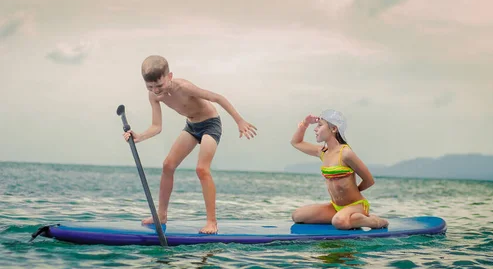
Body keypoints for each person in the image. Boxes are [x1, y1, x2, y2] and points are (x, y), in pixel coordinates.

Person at [123, 55, 257, 234]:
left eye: (159, 85)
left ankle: (212, 222)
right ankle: (161, 215)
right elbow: (157, 127)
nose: (155, 90)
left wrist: (239, 121)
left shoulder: (184, 87)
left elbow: (217, 98)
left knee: (202, 169)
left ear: (169, 76)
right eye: (150, 87)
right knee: (168, 165)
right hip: (192, 126)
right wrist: (139, 136)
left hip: (211, 124)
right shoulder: (154, 96)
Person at [290, 109, 388, 230]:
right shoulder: (323, 152)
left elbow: (369, 180)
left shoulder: (346, 153)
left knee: (338, 221)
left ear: (334, 129)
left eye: (320, 125)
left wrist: (353, 193)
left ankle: (376, 221)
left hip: (356, 205)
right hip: (335, 207)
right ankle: (353, 219)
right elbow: (296, 142)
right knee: (297, 216)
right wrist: (304, 123)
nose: (315, 129)